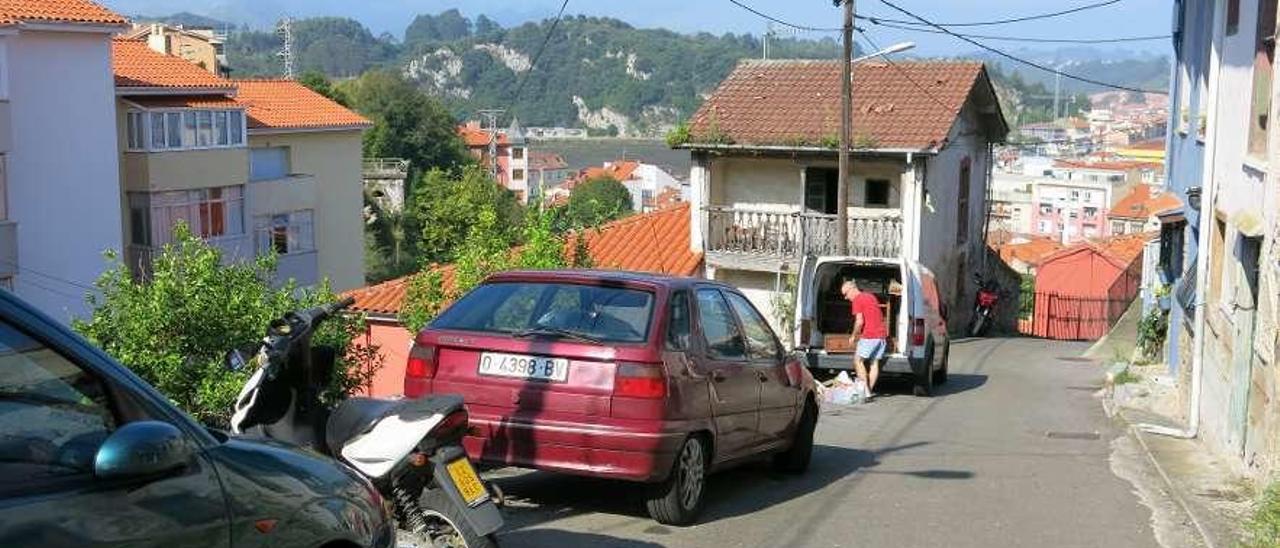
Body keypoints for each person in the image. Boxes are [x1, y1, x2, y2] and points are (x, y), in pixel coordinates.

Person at [842, 280, 888, 398]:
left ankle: (865, 391)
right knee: (874, 363)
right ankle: (868, 392)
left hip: (870, 335)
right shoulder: (870, 296)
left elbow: (859, 321)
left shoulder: (857, 300)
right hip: (881, 335)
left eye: (846, 294)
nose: (846, 298)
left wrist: (853, 335)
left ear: (852, 289)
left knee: (858, 361)